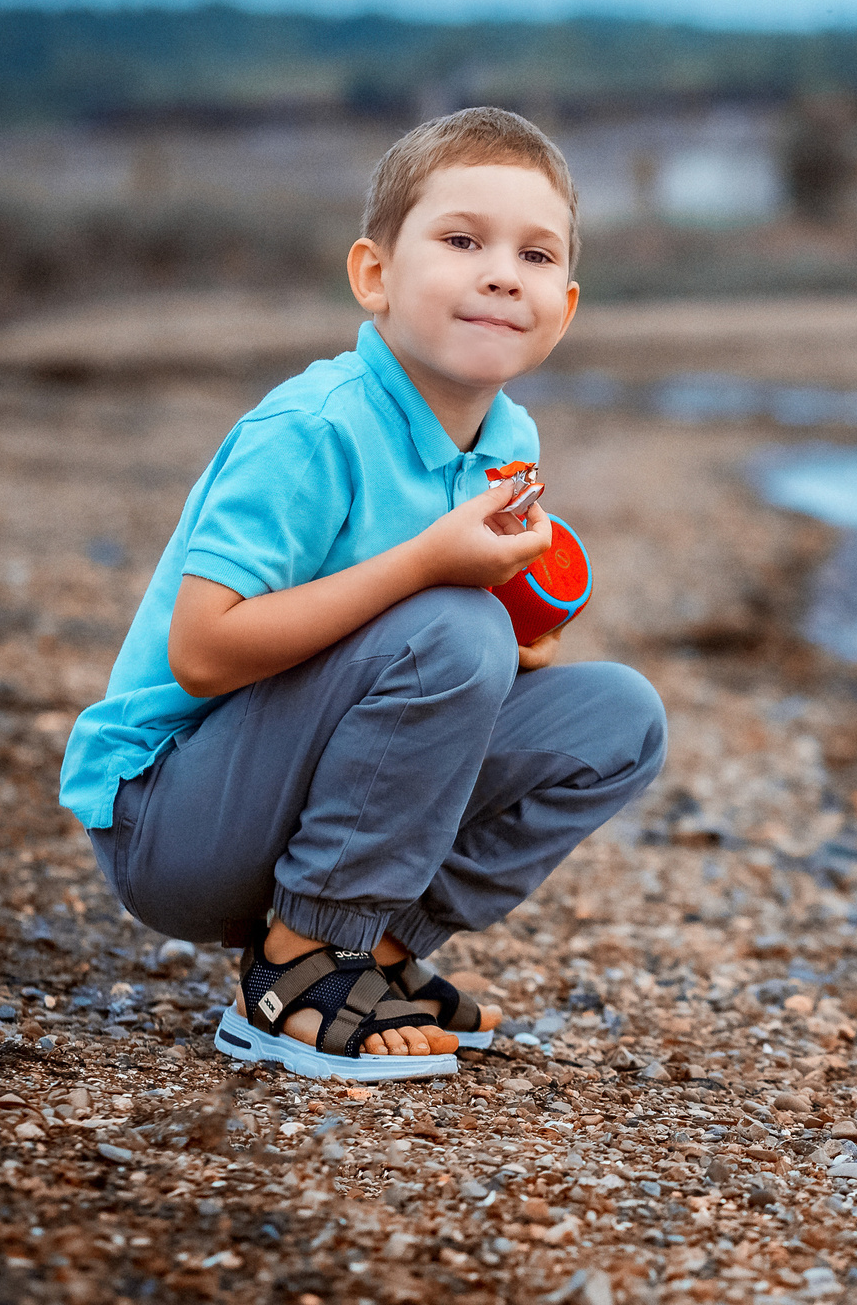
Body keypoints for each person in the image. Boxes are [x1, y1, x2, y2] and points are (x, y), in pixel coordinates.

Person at [58, 107, 666, 1082]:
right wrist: (432, 575)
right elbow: (203, 651)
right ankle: (293, 973)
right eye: (462, 240)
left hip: (306, 808)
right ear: (374, 275)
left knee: (621, 721)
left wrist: (516, 627)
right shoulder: (314, 430)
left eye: (536, 254)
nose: (503, 272)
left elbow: (442, 650)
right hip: (173, 819)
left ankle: (367, 945)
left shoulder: (509, 445)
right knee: (452, 629)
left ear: (566, 304)